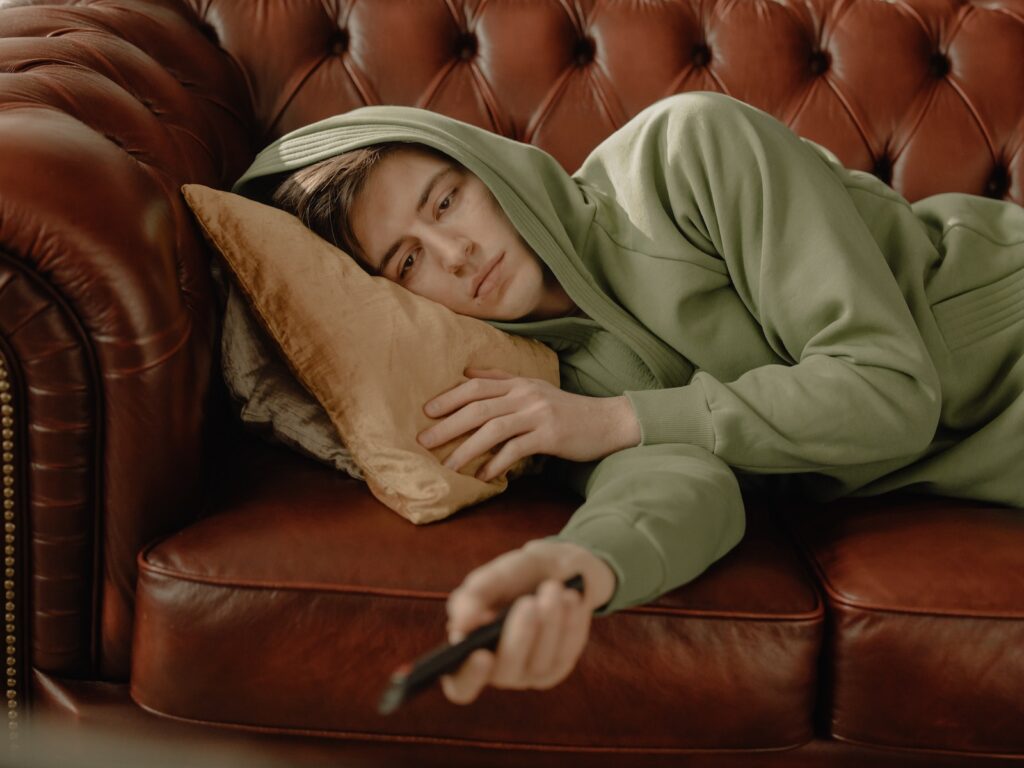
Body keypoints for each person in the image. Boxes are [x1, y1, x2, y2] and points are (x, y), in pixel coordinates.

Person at [233, 91, 1024, 707]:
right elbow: (680, 483)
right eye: (407, 264)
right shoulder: (543, 382)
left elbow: (888, 388)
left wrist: (616, 422)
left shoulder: (688, 151)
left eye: (446, 201)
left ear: (483, 162)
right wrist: (579, 567)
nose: (456, 252)